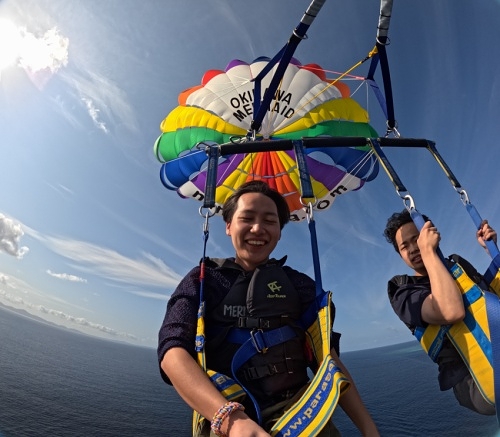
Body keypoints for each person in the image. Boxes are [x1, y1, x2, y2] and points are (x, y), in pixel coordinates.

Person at [158, 180, 379, 437]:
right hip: (225, 413)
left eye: (269, 221)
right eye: (247, 218)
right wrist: (231, 420)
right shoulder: (204, 280)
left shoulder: (299, 285)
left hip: (301, 417)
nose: (257, 228)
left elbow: (327, 360)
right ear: (228, 226)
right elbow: (172, 350)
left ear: (280, 231)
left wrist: (369, 428)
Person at [383, 209, 497, 415]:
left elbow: (491, 297)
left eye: (417, 239)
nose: (413, 249)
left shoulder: (457, 266)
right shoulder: (403, 291)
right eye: (404, 247)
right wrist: (427, 252)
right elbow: (451, 311)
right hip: (472, 381)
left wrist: (492, 250)